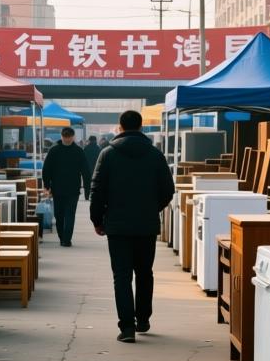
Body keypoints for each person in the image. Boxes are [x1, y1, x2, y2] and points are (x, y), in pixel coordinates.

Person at [90, 110, 175, 343]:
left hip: (117, 226)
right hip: (146, 225)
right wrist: (152, 208)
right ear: (141, 126)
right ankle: (143, 319)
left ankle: (127, 327)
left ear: (120, 126)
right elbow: (168, 190)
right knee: (145, 273)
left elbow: (97, 190)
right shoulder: (156, 155)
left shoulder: (107, 155)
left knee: (122, 276)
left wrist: (97, 220)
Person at [42, 126, 91, 247]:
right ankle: (62, 237)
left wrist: (87, 190)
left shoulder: (79, 151)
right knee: (59, 215)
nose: (68, 140)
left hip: (73, 189)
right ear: (62, 137)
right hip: (57, 189)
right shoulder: (54, 150)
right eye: (66, 137)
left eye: (69, 138)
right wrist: (47, 186)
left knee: (69, 214)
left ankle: (66, 239)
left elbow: (86, 171)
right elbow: (46, 169)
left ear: (73, 137)